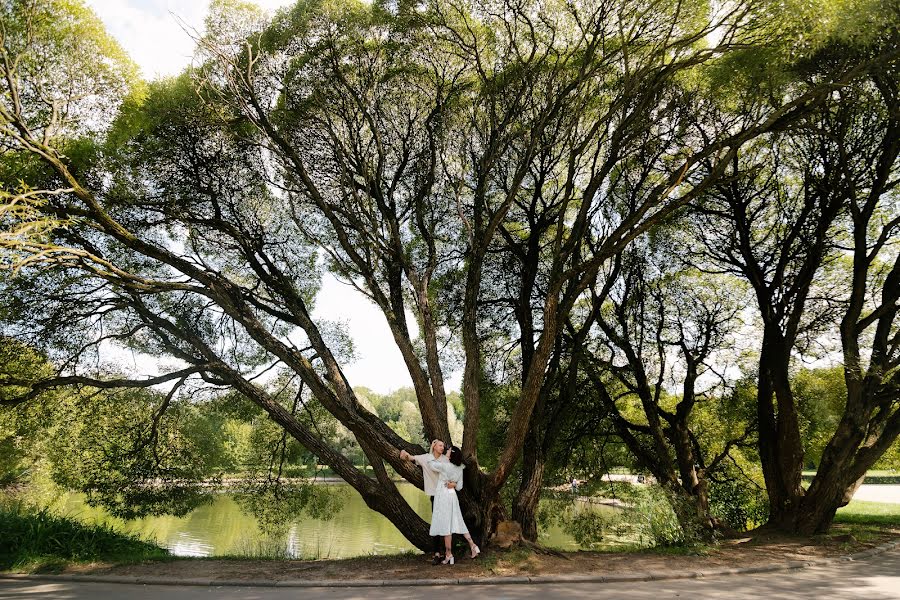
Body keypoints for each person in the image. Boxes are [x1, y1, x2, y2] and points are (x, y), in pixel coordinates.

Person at [399, 440, 458, 564]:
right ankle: (437, 554)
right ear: (434, 446)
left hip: (446, 495)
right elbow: (410, 458)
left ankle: (448, 553)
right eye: (440, 445)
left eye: (443, 446)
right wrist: (404, 453)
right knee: (436, 524)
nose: (442, 447)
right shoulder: (425, 458)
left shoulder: (444, 460)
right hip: (435, 496)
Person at [428, 445, 480, 565]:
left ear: (450, 455)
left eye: (448, 451)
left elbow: (431, 464)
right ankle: (473, 545)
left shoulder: (444, 465)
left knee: (447, 527)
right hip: (452, 496)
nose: (446, 452)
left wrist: (434, 451)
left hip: (443, 496)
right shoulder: (459, 468)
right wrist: (454, 484)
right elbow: (460, 487)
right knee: (458, 521)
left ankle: (449, 555)